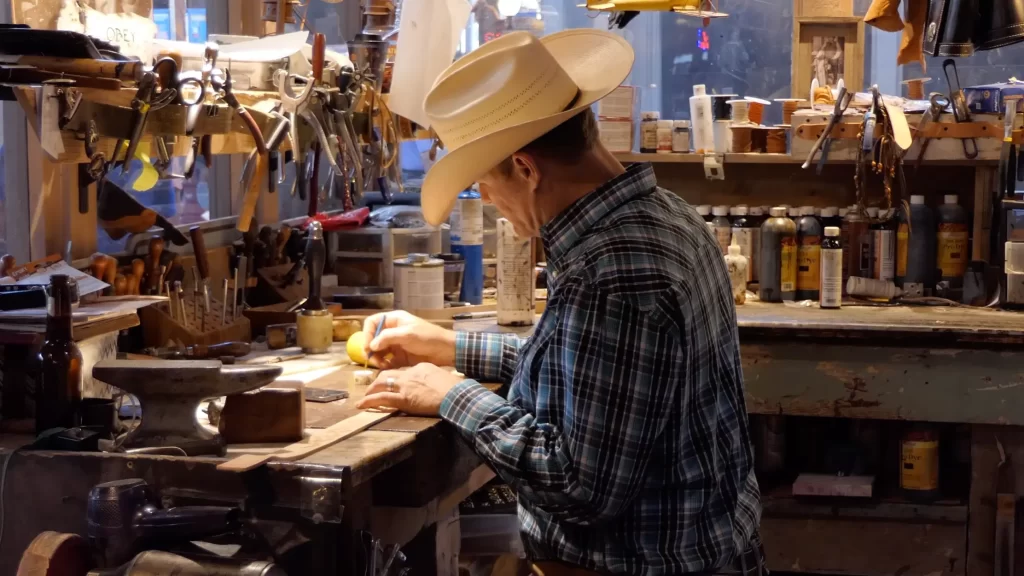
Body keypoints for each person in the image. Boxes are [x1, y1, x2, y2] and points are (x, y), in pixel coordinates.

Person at [356, 29, 761, 575]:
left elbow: (579, 486)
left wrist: (453, 395)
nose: (489, 203)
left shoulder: (612, 273)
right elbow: (602, 386)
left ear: (526, 168)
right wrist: (453, 348)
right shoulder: (665, 216)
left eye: (481, 185)